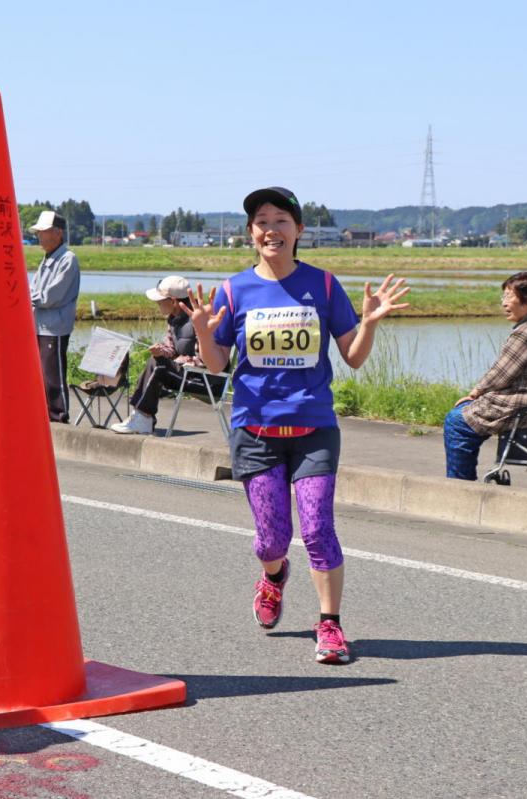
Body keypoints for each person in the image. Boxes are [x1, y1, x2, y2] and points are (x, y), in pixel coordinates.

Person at [182, 187, 409, 664]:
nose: (271, 229)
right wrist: (204, 330)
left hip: (313, 430)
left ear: (299, 230)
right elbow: (218, 364)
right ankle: (274, 575)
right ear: (251, 234)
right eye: (261, 221)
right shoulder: (233, 290)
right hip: (256, 431)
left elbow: (353, 358)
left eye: (281, 220)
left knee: (319, 528)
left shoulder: (323, 287)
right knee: (271, 539)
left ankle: (329, 626)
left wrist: (369, 323)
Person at [442, 271, 527, 481]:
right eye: (503, 297)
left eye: (509, 296)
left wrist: (475, 393)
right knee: (463, 417)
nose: (504, 303)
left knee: (457, 421)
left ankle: (460, 484)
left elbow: (500, 374)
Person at [110, 275, 226, 435]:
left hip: (206, 381)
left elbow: (204, 360)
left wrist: (173, 360)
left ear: (173, 301)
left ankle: (143, 418)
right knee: (157, 360)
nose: (157, 304)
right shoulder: (173, 320)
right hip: (187, 375)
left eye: (159, 300)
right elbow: (171, 348)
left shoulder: (198, 320)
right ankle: (141, 416)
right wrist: (161, 351)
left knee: (158, 365)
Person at [29, 210, 80, 423]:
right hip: (41, 325)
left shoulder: (68, 259)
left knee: (54, 375)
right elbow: (36, 290)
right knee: (41, 374)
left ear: (57, 233)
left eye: (43, 232)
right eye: (39, 232)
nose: (39, 236)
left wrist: (26, 298)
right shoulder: (48, 257)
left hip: (55, 327)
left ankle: (59, 416)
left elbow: (51, 296)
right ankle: (46, 414)